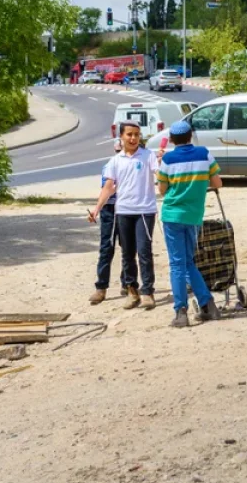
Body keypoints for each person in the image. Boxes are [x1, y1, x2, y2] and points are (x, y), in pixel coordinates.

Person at [156, 120, 222, 328]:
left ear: (173, 140)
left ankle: (180, 312)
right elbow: (217, 182)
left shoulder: (168, 158)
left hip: (173, 215)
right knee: (188, 262)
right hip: (194, 216)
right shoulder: (204, 154)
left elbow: (162, 190)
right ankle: (208, 305)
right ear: (190, 136)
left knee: (177, 264)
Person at [90, 122, 159, 310]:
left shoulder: (148, 156)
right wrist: (97, 208)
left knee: (144, 252)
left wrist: (163, 166)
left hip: (145, 211)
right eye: (129, 134)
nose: (133, 138)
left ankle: (147, 292)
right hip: (123, 211)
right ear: (121, 137)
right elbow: (109, 187)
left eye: (137, 134)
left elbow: (159, 174)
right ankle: (131, 290)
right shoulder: (115, 161)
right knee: (127, 254)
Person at [88, 138, 125, 305]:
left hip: (127, 209)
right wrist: (97, 209)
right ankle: (101, 287)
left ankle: (128, 282)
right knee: (106, 249)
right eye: (118, 151)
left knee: (129, 248)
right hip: (110, 210)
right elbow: (107, 189)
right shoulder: (109, 166)